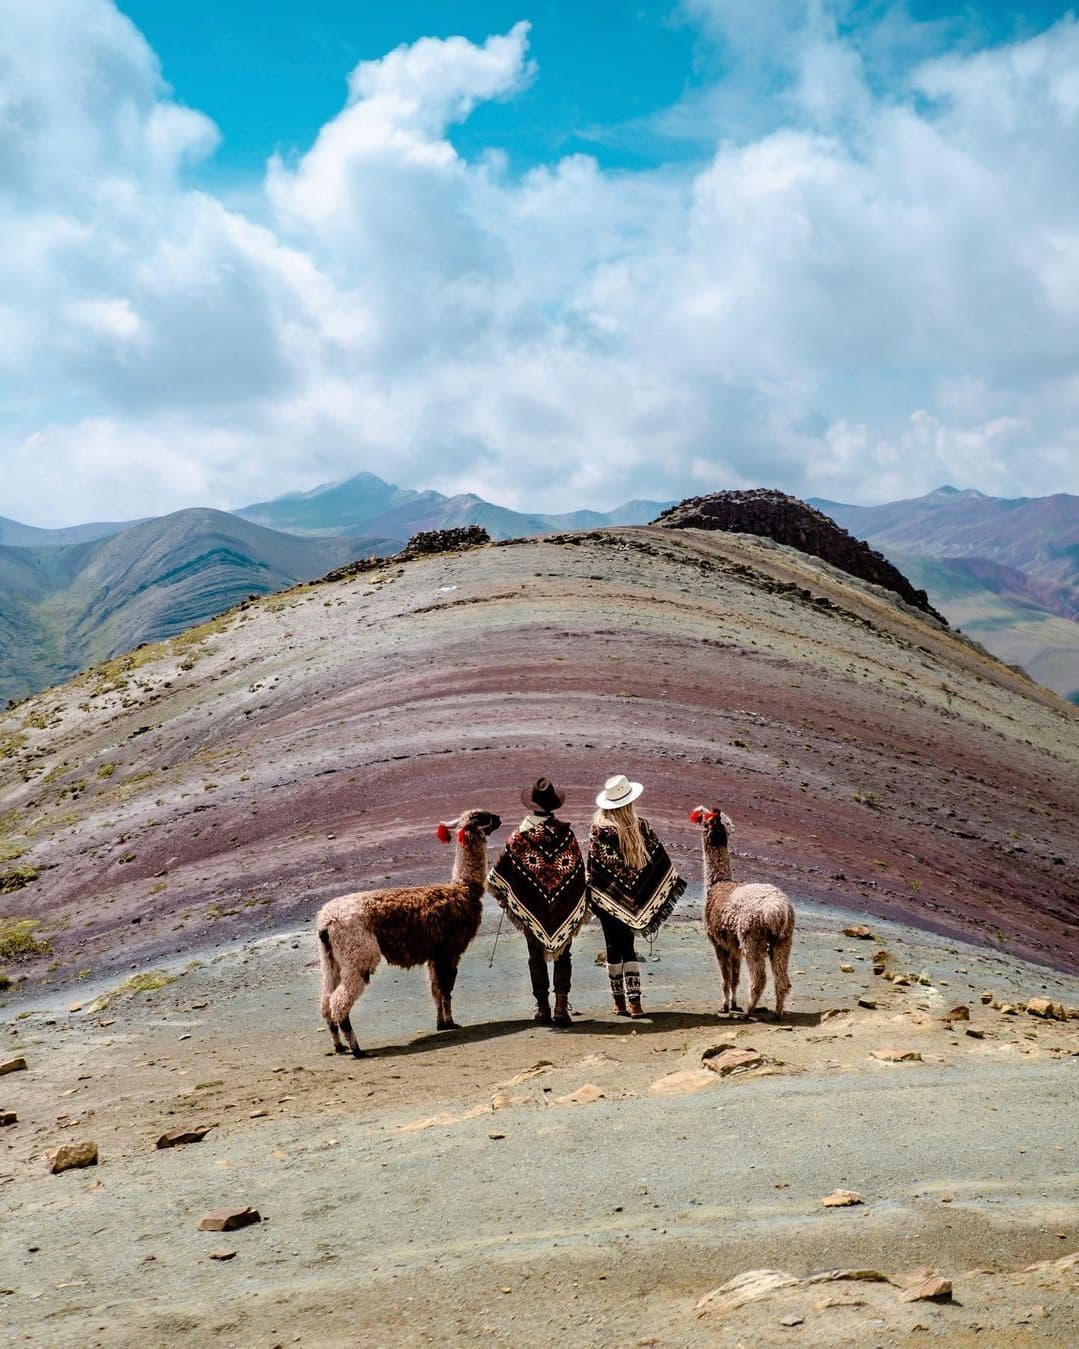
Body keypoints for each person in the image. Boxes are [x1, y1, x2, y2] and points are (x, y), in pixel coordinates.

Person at [486, 778, 588, 1027]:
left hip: (532, 908)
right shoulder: (567, 835)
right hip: (563, 906)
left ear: (532, 805)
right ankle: (561, 1006)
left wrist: (508, 898)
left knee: (535, 955)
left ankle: (543, 1008)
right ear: (553, 805)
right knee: (564, 954)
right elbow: (576, 871)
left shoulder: (519, 838)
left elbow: (500, 875)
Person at [586, 774, 685, 1017]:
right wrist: (651, 889)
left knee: (612, 945)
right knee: (628, 945)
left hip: (607, 900)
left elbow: (595, 868)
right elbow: (658, 862)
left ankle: (619, 1002)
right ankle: (635, 1003)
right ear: (629, 801)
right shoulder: (642, 826)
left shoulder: (599, 830)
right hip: (636, 901)